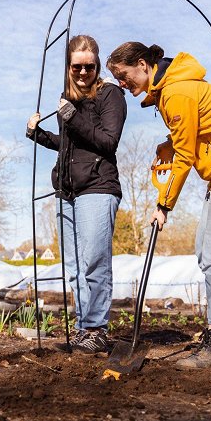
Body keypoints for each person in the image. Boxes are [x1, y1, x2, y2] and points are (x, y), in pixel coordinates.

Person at [107, 42, 211, 369]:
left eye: (124, 77)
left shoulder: (176, 93)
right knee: (205, 252)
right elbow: (192, 135)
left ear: (142, 65)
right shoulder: (172, 88)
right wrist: (169, 143)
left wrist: (163, 204)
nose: (123, 85)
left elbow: (185, 157)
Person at [27, 34, 127, 354]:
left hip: (97, 187)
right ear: (68, 67)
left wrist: (73, 115)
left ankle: (97, 329)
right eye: (77, 67)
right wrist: (37, 135)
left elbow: (107, 141)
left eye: (89, 66)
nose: (83, 72)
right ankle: (84, 327)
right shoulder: (68, 100)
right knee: (73, 267)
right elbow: (68, 145)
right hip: (67, 191)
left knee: (94, 262)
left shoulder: (110, 95)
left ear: (97, 64)